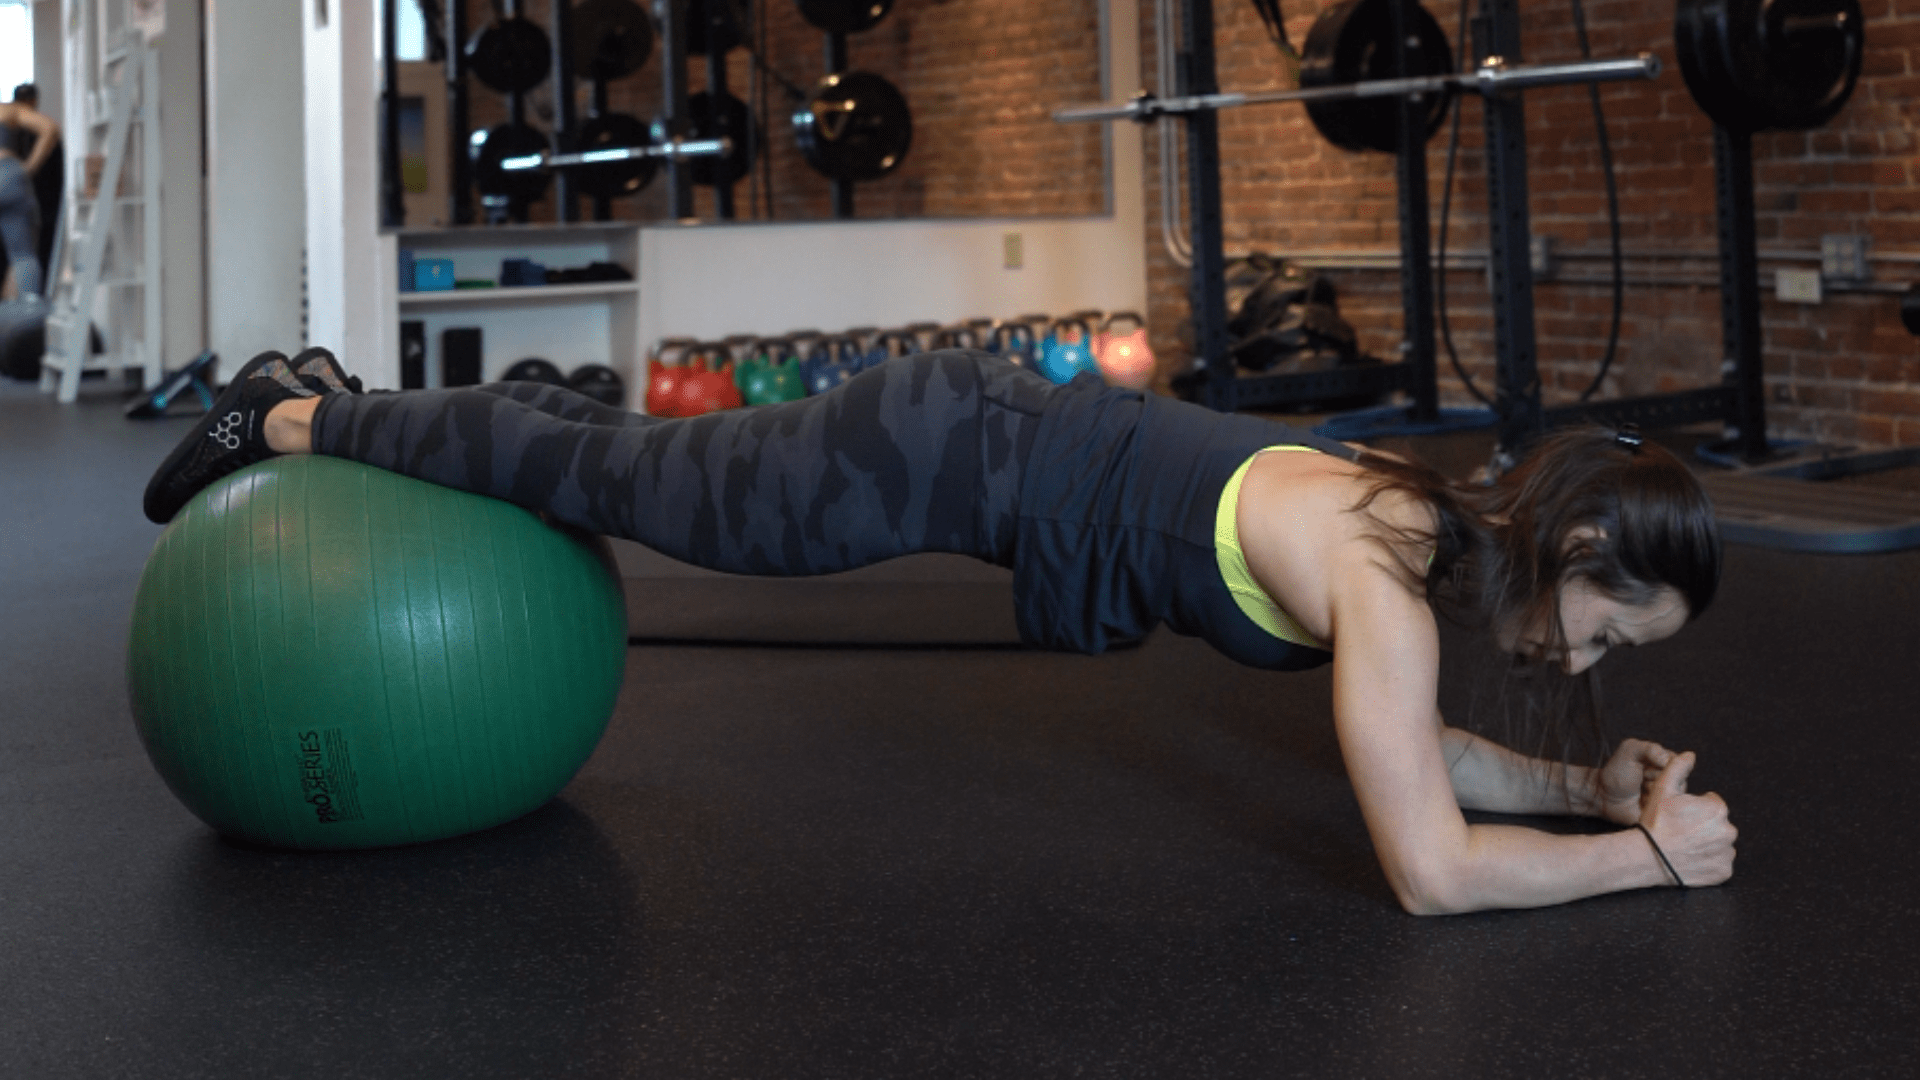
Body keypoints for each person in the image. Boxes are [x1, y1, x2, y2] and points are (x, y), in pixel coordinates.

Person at [143, 347, 1738, 915]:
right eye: (1609, 630)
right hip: (927, 456)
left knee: (629, 464)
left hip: (968, 435)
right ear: (1582, 548)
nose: (1584, 667)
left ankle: (366, 403)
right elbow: (1433, 869)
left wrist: (1587, 793)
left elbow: (1418, 754)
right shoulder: (1389, 590)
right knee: (610, 477)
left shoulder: (1410, 511)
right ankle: (291, 421)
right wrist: (1647, 860)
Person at [0, 84, 60, 300]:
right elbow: (50, 128)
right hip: (8, 175)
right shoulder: (8, 110)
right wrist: (29, 168)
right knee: (22, 256)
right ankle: (25, 319)